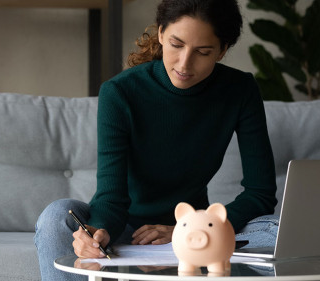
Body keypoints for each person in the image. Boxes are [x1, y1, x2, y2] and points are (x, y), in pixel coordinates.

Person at [34, 0, 279, 280]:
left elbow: (260, 193)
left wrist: (191, 229)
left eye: (202, 52)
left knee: (280, 231)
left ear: (222, 51)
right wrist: (97, 232)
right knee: (56, 217)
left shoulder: (240, 90)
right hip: (127, 232)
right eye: (176, 45)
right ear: (161, 34)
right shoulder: (120, 92)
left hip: (196, 235)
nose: (184, 63)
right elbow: (111, 198)